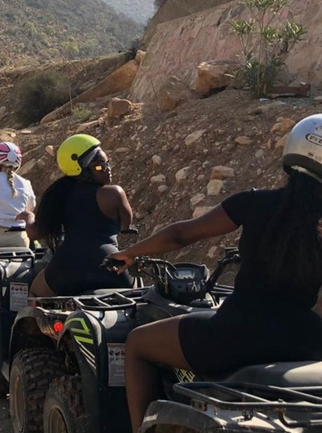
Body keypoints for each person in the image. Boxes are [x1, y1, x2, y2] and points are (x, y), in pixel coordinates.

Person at [108, 114, 322, 433]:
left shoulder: (254, 203)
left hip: (235, 335)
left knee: (137, 342)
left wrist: (130, 252)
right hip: (305, 340)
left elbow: (183, 234)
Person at [19, 134, 134, 297]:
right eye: (100, 166)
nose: (107, 169)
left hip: (66, 266)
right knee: (138, 299)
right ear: (81, 168)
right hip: (110, 265)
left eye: (107, 163)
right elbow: (126, 226)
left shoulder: (58, 194)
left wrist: (28, 217)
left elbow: (35, 233)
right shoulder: (114, 194)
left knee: (35, 294)